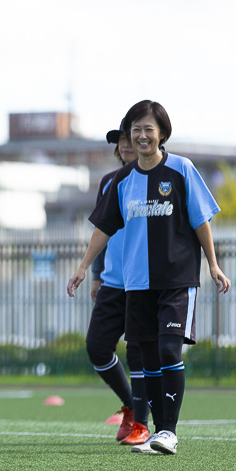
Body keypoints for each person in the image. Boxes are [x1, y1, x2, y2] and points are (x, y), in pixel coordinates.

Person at [67, 101, 231, 455]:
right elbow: (104, 228)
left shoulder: (181, 170)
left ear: (162, 134)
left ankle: (168, 431)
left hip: (176, 280)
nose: (141, 136)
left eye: (148, 129)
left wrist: (214, 265)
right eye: (136, 129)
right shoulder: (122, 181)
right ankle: (155, 431)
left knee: (169, 349)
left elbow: (201, 220)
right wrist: (83, 268)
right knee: (148, 357)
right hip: (136, 284)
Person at [82, 124, 150, 446]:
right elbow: (102, 228)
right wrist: (96, 274)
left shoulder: (156, 180)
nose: (124, 145)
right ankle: (131, 404)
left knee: (139, 351)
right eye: (120, 140)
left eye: (129, 138)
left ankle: (142, 422)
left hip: (144, 282)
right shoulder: (109, 182)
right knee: (97, 346)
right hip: (112, 281)